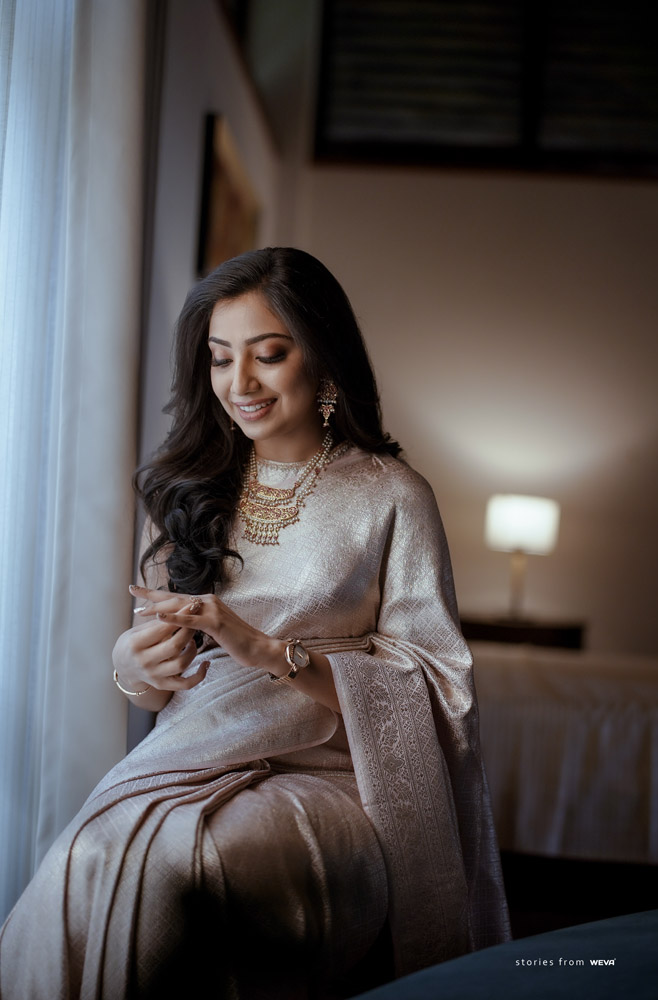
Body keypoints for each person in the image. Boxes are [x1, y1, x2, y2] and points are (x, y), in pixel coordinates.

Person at [0, 247, 510, 998]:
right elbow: (153, 688)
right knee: (83, 859)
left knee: (191, 864)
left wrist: (269, 652)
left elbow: (438, 687)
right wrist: (131, 666)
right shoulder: (189, 488)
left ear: (323, 357)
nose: (240, 384)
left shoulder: (390, 495)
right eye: (218, 359)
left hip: (334, 777)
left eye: (268, 355)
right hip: (194, 755)